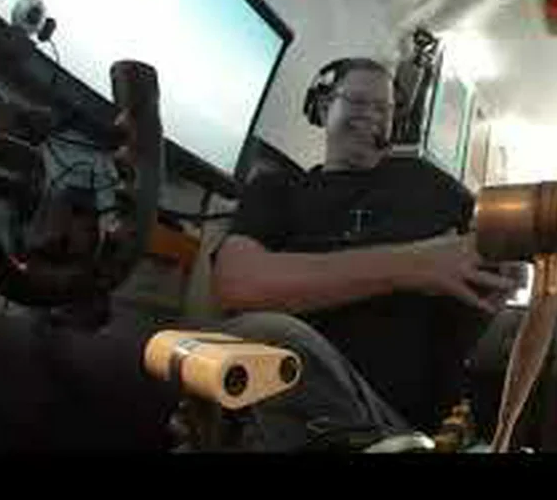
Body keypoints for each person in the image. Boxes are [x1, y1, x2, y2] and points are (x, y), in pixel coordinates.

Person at [212, 57, 518, 450]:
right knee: (264, 336)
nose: (372, 116)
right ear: (323, 107)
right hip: (298, 389)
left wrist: (505, 266)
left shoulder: (429, 183)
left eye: (383, 109)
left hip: (407, 422)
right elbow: (236, 283)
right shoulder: (277, 189)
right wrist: (412, 264)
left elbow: (497, 247)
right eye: (357, 102)